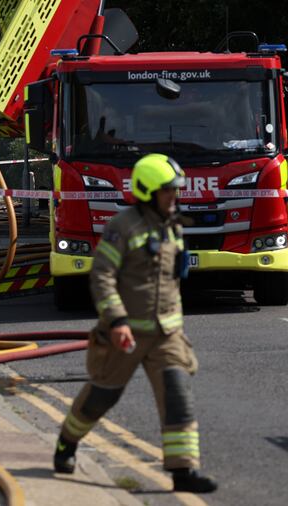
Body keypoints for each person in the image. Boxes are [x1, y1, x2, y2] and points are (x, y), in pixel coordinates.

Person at [53, 153, 218, 494]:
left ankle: (183, 471)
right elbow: (102, 276)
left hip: (166, 335)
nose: (175, 197)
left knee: (178, 396)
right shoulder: (123, 226)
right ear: (147, 191)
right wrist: (116, 321)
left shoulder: (172, 224)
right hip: (125, 334)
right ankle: (67, 443)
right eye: (168, 191)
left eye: (176, 190)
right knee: (102, 398)